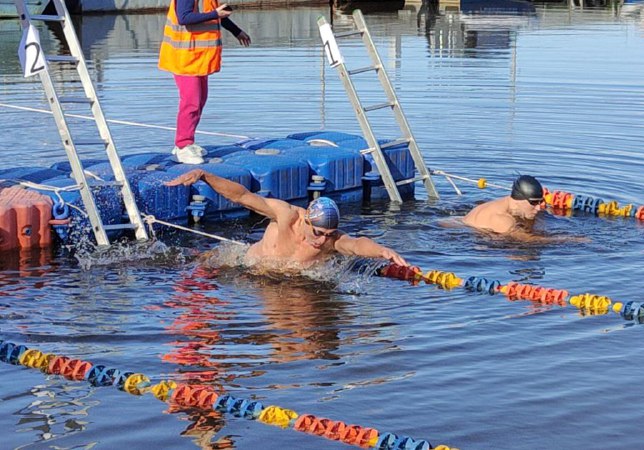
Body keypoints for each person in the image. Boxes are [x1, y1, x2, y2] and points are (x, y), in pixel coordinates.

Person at [165, 169, 409, 272]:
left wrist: (382, 251)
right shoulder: (286, 216)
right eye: (319, 232)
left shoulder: (331, 239)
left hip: (285, 281)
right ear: (307, 220)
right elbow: (242, 196)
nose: (323, 239)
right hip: (244, 266)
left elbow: (356, 244)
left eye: (329, 233)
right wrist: (205, 176)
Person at [158, 0, 251, 165]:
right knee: (191, 102)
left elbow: (215, 14)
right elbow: (184, 17)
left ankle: (188, 142)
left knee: (200, 100)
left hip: (198, 58)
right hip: (184, 58)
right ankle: (183, 145)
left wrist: (236, 31)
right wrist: (216, 14)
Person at [463, 175, 545, 235]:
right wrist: (558, 240)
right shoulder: (504, 220)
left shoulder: (507, 202)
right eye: (534, 203)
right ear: (519, 200)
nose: (538, 208)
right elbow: (529, 241)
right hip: (470, 232)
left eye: (540, 201)